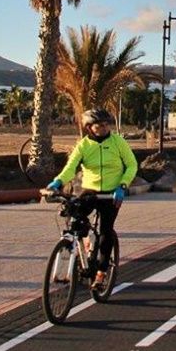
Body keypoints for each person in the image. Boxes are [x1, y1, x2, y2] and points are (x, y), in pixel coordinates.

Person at [45, 108, 137, 291]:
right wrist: (58, 182)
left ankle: (101, 272)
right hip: (91, 190)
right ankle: (84, 246)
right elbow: (71, 167)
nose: (103, 128)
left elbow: (132, 165)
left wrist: (123, 185)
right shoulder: (83, 146)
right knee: (76, 215)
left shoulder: (118, 142)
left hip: (112, 192)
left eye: (105, 125)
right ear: (89, 128)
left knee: (106, 232)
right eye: (98, 126)